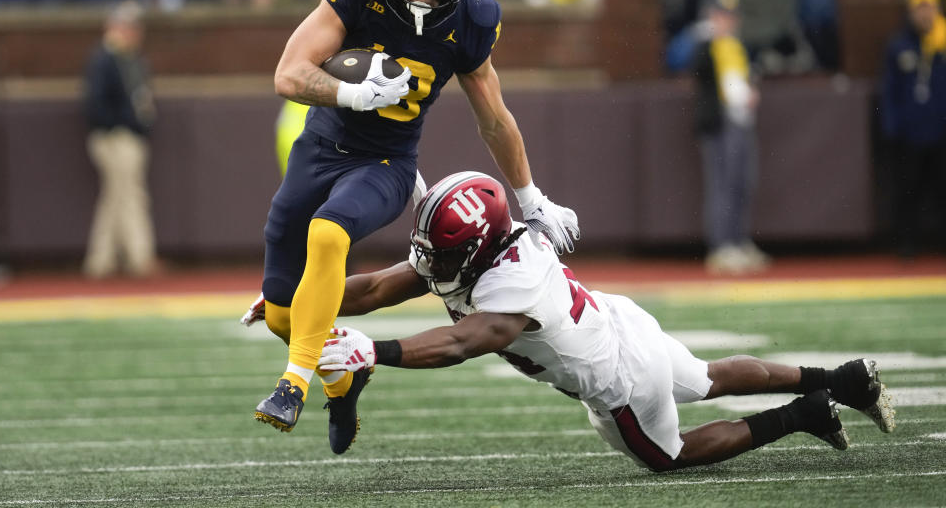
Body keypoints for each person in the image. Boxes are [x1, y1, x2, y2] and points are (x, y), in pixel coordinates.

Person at [249, 0, 580, 454]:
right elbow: (289, 73)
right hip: (318, 151)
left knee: (328, 234)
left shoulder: (472, 19)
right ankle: (342, 380)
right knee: (285, 317)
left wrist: (531, 197)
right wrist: (351, 93)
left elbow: (494, 117)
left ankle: (293, 384)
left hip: (385, 164)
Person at [316, 171, 897, 469]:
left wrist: (377, 353)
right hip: (620, 322)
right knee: (707, 377)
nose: (428, 261)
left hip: (617, 378)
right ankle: (842, 379)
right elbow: (371, 287)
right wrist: (298, 298)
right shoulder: (480, 247)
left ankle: (803, 414)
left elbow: (464, 341)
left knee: (667, 458)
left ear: (474, 247)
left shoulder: (509, 282)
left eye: (440, 252)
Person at [692, 0, 769, 275]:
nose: (726, 21)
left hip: (741, 121)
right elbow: (697, 71)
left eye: (730, 16)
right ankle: (721, 245)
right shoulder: (704, 44)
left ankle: (738, 241)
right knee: (722, 185)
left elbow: (738, 80)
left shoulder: (737, 46)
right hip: (719, 123)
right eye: (721, 15)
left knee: (742, 182)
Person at [82, 0, 158, 279]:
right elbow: (96, 104)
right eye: (128, 27)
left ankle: (100, 261)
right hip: (115, 137)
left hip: (128, 134)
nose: (134, 32)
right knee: (130, 196)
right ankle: (140, 257)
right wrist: (122, 125)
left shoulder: (130, 58)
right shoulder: (105, 59)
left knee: (115, 198)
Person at [880, 0, 946, 258]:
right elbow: (889, 90)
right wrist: (892, 128)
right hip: (910, 134)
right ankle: (907, 244)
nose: (924, 15)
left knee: (942, 190)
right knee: (908, 190)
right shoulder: (898, 46)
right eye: (919, 9)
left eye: (929, 8)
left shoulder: (942, 43)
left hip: (941, 131)